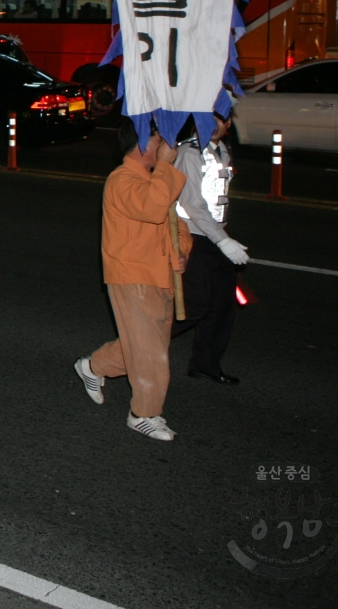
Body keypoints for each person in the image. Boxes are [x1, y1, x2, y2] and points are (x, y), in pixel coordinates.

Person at [74, 118, 192, 441]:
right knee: (151, 352)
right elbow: (153, 209)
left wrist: (180, 252)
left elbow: (178, 225)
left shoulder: (157, 181)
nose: (165, 148)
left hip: (161, 275)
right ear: (142, 145)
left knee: (144, 346)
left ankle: (93, 367)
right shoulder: (121, 180)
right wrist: (167, 168)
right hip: (132, 276)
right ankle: (144, 412)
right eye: (157, 141)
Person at [172, 113, 249, 385]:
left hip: (213, 234)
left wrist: (221, 236)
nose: (216, 125)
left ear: (229, 125)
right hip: (193, 236)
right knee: (196, 303)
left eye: (222, 119)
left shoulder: (222, 152)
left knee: (222, 303)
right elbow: (192, 204)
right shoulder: (189, 153)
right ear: (197, 121)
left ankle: (206, 364)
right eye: (210, 118)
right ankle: (140, 341)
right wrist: (224, 241)